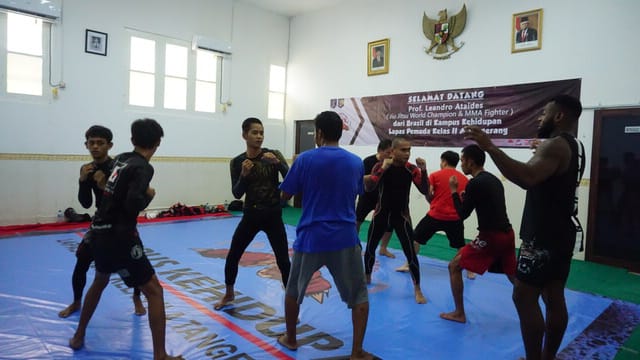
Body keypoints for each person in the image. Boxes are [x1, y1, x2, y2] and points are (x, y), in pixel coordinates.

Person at [463, 95, 584, 360]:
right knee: (554, 295)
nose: (540, 118)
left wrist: (490, 147)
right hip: (562, 233)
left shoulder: (554, 146)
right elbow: (545, 176)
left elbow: (527, 177)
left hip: (543, 237)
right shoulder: (574, 146)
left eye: (544, 113)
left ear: (559, 116)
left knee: (523, 296)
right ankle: (547, 356)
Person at [69, 119, 183, 360]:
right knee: (154, 291)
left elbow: (111, 194)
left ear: (132, 141)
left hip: (99, 231)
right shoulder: (143, 167)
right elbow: (132, 204)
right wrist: (149, 197)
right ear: (157, 143)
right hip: (120, 236)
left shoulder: (121, 158)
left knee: (100, 280)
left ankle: (79, 335)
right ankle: (160, 355)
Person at [277, 111, 372, 359]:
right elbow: (357, 192)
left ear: (318, 133)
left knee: (293, 291)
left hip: (311, 237)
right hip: (345, 237)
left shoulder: (305, 159)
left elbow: (284, 196)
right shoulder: (355, 162)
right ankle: (357, 351)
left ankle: (291, 338)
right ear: (341, 133)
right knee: (359, 295)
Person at [59, 125, 145, 318]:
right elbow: (86, 203)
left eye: (100, 143)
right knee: (81, 261)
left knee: (134, 263)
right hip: (99, 224)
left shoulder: (119, 167)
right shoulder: (87, 169)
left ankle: (137, 297)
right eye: (92, 143)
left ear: (109, 145)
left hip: (122, 223)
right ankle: (76, 302)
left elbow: (128, 201)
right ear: (86, 145)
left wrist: (104, 185)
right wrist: (82, 181)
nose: (95, 147)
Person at [214, 117, 291, 310]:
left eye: (261, 133)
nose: (259, 137)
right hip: (251, 215)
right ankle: (229, 294)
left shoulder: (273, 155)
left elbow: (291, 179)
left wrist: (279, 164)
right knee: (233, 255)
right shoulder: (238, 162)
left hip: (273, 214)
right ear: (244, 135)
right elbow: (237, 193)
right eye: (255, 133)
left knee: (283, 259)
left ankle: (291, 300)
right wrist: (243, 176)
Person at [439, 144, 516, 323]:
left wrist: (453, 192)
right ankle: (532, 308)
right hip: (507, 234)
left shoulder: (475, 183)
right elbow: (486, 203)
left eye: (463, 160)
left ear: (471, 162)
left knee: (454, 266)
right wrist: (467, 197)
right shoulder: (492, 179)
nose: (461, 164)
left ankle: (459, 313)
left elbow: (462, 215)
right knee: (513, 275)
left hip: (491, 237)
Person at [364, 137, 428, 304]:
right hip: (381, 213)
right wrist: (381, 170)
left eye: (409, 150)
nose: (407, 154)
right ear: (392, 151)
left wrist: (424, 170)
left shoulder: (411, 169)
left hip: (401, 216)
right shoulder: (381, 166)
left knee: (410, 253)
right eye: (403, 150)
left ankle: (418, 289)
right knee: (370, 247)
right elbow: (369, 188)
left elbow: (425, 189)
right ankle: (367, 277)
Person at [406, 150, 476, 279]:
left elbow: (428, 193)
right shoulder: (464, 179)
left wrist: (432, 200)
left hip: (435, 215)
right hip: (455, 218)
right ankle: (470, 270)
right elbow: (465, 199)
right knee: (460, 245)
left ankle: (408, 264)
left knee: (415, 239)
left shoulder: (435, 175)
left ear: (443, 161)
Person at [356, 139, 394, 258]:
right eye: (388, 152)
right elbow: (361, 178)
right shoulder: (368, 161)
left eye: (392, 152)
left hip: (383, 197)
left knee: (389, 224)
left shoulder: (393, 163)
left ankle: (383, 248)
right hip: (367, 196)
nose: (390, 155)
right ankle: (355, 246)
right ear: (380, 151)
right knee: (357, 220)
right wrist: (381, 169)